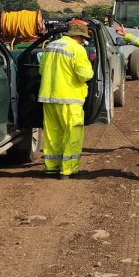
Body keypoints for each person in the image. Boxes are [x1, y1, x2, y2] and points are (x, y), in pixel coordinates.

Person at [38, 19, 94, 179]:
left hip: (48, 97)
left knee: (52, 134)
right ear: (78, 36)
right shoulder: (77, 49)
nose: (83, 40)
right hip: (70, 99)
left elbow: (42, 70)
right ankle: (68, 170)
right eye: (83, 38)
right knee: (72, 134)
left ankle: (51, 167)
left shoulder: (50, 46)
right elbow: (86, 74)